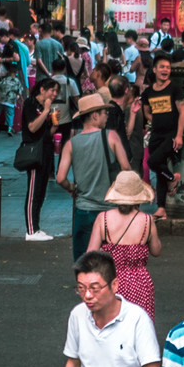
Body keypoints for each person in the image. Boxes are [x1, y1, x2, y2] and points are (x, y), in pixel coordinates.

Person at [57, 92, 130, 261]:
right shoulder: (111, 136)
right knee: (110, 264)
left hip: (84, 210)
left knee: (84, 262)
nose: (107, 117)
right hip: (110, 210)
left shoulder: (71, 144)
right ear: (95, 115)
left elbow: (60, 177)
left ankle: (85, 287)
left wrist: (72, 189)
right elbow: (126, 169)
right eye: (105, 113)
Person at [86, 171, 161, 320]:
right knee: (138, 326)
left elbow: (90, 254)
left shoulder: (103, 219)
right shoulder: (147, 220)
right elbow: (156, 250)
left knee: (111, 325)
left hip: (110, 281)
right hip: (140, 283)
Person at [140, 53, 184, 221]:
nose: (165, 70)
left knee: (153, 162)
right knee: (159, 170)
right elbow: (146, 112)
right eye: (162, 67)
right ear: (155, 70)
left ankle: (173, 179)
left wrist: (179, 135)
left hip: (171, 135)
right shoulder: (148, 92)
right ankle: (161, 209)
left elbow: (183, 111)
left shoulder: (174, 88)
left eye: (168, 67)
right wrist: (157, 120)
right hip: (156, 135)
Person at [21, 75, 59, 241]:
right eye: (52, 90)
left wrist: (54, 122)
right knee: (33, 192)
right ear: (42, 89)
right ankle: (30, 230)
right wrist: (45, 111)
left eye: (57, 91)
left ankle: (36, 227)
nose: (54, 94)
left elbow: (46, 133)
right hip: (34, 152)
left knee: (41, 191)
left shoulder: (46, 107)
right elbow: (32, 127)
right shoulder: (31, 104)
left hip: (46, 151)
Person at [0, 48, 25, 133]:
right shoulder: (17, 81)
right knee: (10, 115)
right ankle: (9, 128)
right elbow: (20, 92)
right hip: (10, 101)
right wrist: (21, 99)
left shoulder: (4, 79)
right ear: (16, 73)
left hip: (1, 100)